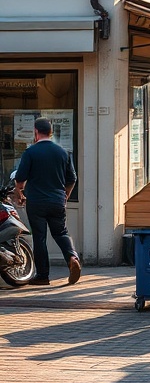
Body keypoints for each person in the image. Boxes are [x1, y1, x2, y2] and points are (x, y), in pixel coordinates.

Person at [13, 117, 82, 287]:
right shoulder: (63, 152)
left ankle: (43, 276)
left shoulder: (30, 153)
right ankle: (72, 257)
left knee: (40, 238)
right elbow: (72, 178)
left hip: (36, 202)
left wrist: (19, 192)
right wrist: (65, 195)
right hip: (57, 200)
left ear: (36, 132)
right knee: (61, 233)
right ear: (51, 133)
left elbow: (20, 179)